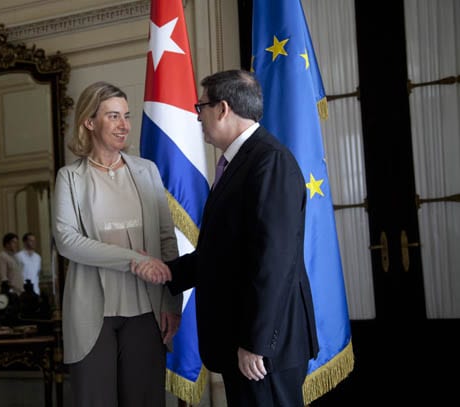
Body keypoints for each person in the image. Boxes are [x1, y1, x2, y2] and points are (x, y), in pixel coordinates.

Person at [134, 70, 320, 406]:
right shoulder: (240, 162)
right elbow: (224, 251)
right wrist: (168, 271)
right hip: (243, 341)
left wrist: (256, 341)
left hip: (264, 349)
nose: (197, 116)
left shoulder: (269, 161)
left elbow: (273, 261)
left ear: (222, 109)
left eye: (200, 107)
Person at [52, 81, 182, 407]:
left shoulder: (147, 171)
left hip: (147, 313)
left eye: (126, 116)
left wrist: (171, 303)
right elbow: (67, 241)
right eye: (113, 116)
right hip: (91, 315)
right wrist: (132, 259)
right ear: (89, 122)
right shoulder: (69, 177)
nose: (124, 125)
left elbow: (167, 240)